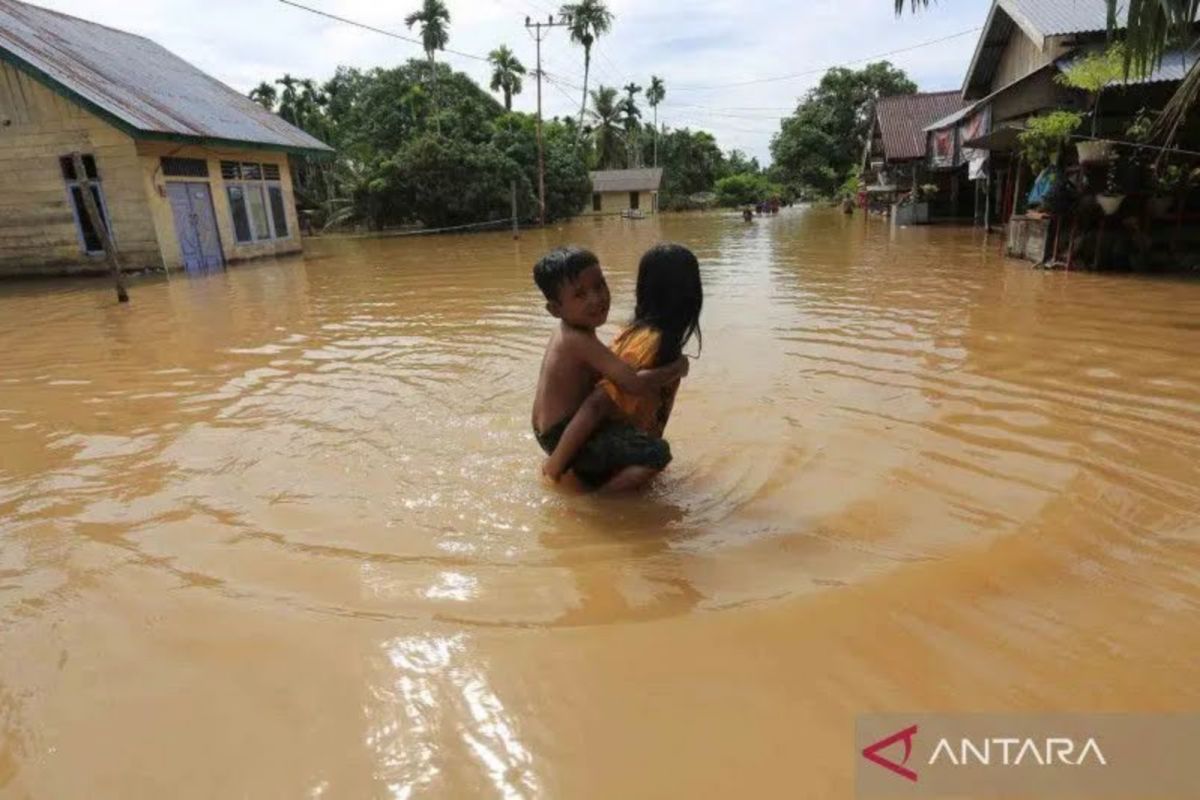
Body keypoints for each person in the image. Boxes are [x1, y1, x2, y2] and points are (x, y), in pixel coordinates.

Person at [542, 243, 703, 491]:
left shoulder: (579, 332)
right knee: (657, 454)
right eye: (580, 294)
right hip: (564, 436)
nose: (597, 299)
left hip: (557, 431)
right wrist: (555, 465)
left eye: (599, 286)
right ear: (692, 297)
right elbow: (600, 401)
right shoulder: (645, 341)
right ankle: (596, 509)